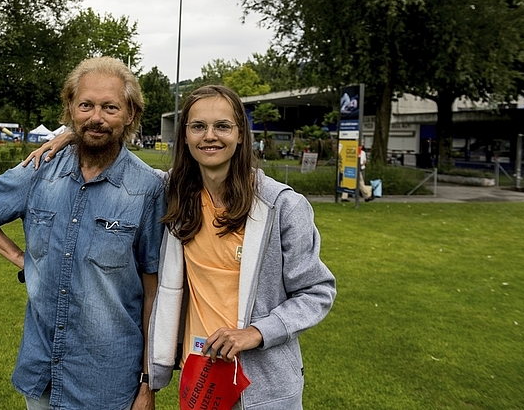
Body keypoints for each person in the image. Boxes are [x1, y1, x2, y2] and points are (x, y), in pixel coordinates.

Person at [28, 85, 336, 409]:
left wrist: (256, 332)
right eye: (198, 126)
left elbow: (317, 291)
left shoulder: (282, 206)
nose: (210, 136)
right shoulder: (173, 194)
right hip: (200, 378)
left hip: (263, 387)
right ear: (185, 136)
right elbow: (122, 166)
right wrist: (74, 137)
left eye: (223, 126)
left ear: (241, 134)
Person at [0, 57, 165, 410]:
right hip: (41, 371)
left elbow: (152, 295)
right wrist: (21, 258)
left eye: (109, 107)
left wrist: (148, 384)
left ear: (130, 114)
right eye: (86, 105)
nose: (96, 117)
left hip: (107, 380)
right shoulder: (40, 169)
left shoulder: (148, 189)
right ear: (70, 108)